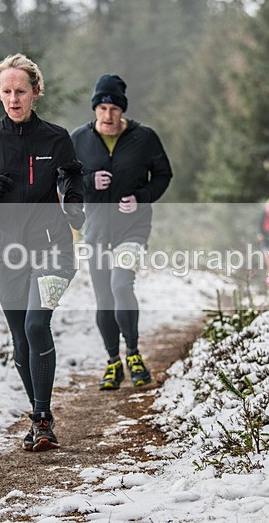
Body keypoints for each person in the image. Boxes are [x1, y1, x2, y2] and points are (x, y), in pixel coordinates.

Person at [0, 54, 85, 452]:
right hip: (5, 254)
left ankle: (43, 418)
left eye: (21, 91)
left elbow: (71, 177)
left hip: (52, 249)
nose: (14, 99)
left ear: (36, 91)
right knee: (20, 336)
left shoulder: (56, 138)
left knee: (36, 325)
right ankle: (38, 416)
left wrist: (74, 203)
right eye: (7, 91)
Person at [71, 74, 172, 391]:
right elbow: (63, 180)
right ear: (94, 109)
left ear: (122, 110)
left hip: (133, 229)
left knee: (121, 284)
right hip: (96, 231)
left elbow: (163, 175)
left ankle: (134, 354)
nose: (108, 114)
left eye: (114, 108)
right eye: (102, 108)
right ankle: (113, 362)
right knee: (104, 299)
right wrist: (89, 182)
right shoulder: (78, 140)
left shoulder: (145, 137)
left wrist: (141, 197)